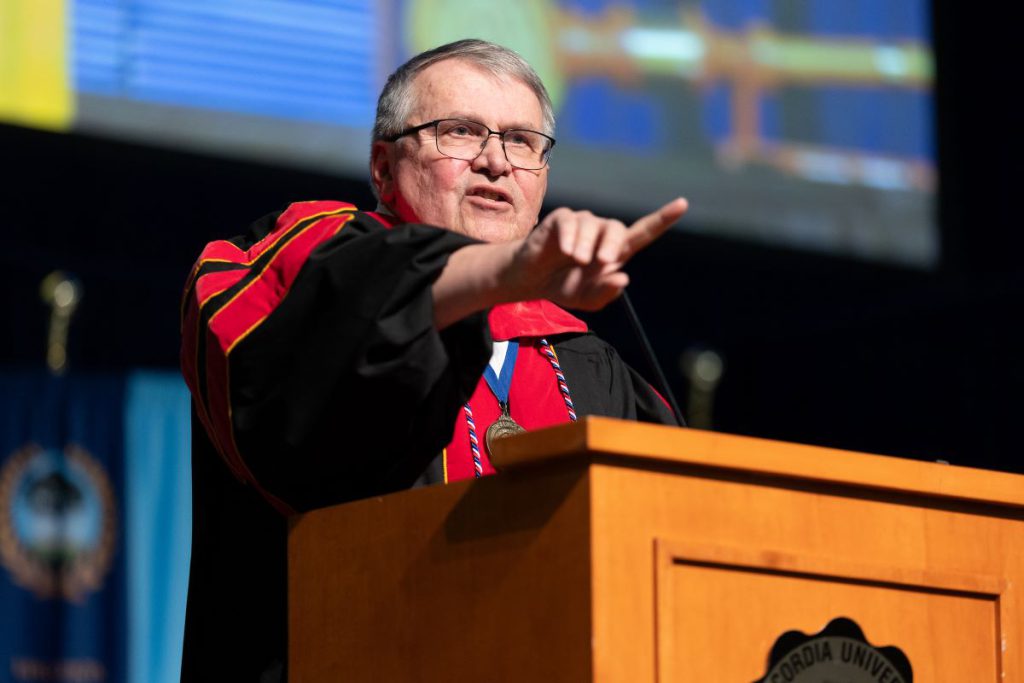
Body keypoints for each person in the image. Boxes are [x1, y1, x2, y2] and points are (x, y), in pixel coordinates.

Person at [178, 39, 688, 682]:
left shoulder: (588, 365)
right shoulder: (296, 266)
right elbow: (313, 378)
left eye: (522, 141)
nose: (496, 162)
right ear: (383, 167)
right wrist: (509, 271)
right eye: (461, 132)